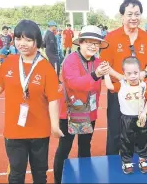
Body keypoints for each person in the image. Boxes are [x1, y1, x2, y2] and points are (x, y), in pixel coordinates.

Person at [0, 19, 64, 183]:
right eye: (18, 39)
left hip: (39, 131)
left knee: (40, 175)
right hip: (14, 132)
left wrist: (54, 126)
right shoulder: (10, 62)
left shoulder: (45, 67)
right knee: (16, 175)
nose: (22, 43)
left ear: (37, 41)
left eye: (28, 39)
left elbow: (54, 99)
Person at [100, 0, 147, 155]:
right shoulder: (111, 37)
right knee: (115, 132)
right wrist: (122, 78)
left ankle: (136, 162)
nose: (133, 18)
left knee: (138, 130)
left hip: (138, 93)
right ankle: (112, 165)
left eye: (137, 14)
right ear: (122, 17)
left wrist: (144, 73)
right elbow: (105, 65)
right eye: (129, 14)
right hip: (118, 92)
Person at [53, 25, 110, 184]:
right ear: (81, 43)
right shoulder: (70, 60)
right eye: (88, 42)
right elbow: (74, 84)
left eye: (96, 43)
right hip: (70, 112)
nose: (92, 46)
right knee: (65, 148)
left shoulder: (98, 61)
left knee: (85, 147)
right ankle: (58, 180)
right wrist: (95, 74)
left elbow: (109, 78)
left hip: (89, 112)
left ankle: (85, 178)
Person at [104, 56, 147, 174]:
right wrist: (106, 73)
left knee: (143, 139)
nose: (133, 76)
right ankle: (127, 161)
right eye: (129, 73)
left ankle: (143, 160)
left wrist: (145, 112)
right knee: (126, 140)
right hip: (126, 118)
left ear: (140, 71)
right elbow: (110, 86)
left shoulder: (144, 85)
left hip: (141, 117)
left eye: (136, 72)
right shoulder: (121, 85)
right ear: (124, 74)